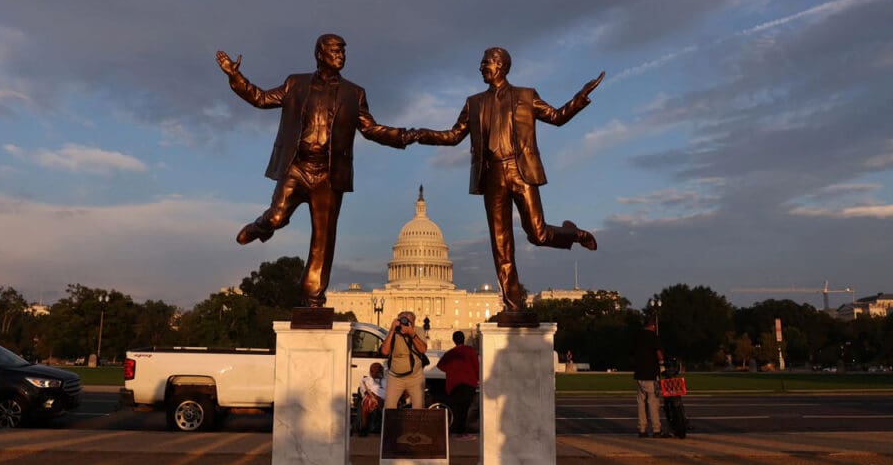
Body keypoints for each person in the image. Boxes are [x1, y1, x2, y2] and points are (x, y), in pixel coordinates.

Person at [216, 34, 413, 308]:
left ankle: (313, 297)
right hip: (297, 167)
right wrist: (235, 76)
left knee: (323, 239)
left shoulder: (354, 93)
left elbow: (370, 129)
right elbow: (261, 98)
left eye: (343, 51)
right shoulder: (295, 83)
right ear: (320, 54)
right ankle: (262, 227)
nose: (341, 56)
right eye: (335, 51)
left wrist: (404, 135)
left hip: (329, 175)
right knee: (277, 216)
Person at [414, 47, 604, 312]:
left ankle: (573, 233)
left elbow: (556, 117)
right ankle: (513, 305)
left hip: (520, 170)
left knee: (537, 234)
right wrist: (421, 134)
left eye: (486, 63)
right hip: (491, 175)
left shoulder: (526, 96)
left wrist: (580, 97)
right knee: (501, 245)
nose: (481, 67)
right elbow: (454, 136)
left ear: (500, 65)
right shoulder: (474, 103)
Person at [379, 311, 428, 412]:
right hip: (395, 377)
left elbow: (423, 349)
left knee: (418, 408)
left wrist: (411, 333)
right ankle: (390, 423)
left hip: (415, 377)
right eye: (403, 320)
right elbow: (384, 351)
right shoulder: (394, 331)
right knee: (389, 408)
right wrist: (392, 330)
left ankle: (415, 423)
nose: (405, 323)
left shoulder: (418, 330)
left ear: (413, 322)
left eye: (409, 321)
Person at [437, 330, 479, 440]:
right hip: (468, 383)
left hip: (454, 384)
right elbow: (476, 366)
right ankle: (461, 433)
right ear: (463, 339)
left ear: (453, 340)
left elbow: (440, 366)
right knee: (464, 408)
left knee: (458, 409)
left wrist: (451, 370)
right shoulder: (470, 351)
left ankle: (458, 432)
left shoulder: (450, 353)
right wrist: (477, 378)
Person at [632, 319, 668, 438]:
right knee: (653, 402)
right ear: (652, 326)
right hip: (651, 374)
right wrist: (662, 363)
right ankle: (656, 429)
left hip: (639, 373)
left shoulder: (637, 336)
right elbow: (659, 353)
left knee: (641, 403)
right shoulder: (653, 336)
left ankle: (642, 429)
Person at [358, 362, 386, 437]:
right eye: (373, 370)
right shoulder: (365, 380)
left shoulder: (386, 380)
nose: (376, 371)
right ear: (370, 371)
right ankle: (363, 427)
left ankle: (383, 426)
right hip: (370, 398)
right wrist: (374, 396)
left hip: (384, 399)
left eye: (378, 369)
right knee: (367, 400)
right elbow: (365, 391)